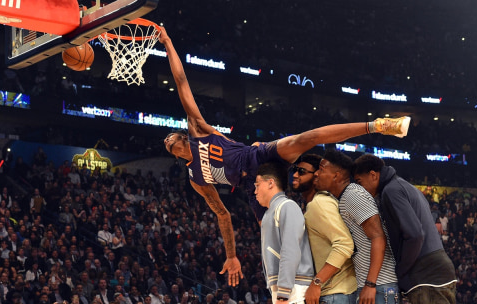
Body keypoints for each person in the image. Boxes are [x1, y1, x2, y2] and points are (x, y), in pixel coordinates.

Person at [158, 27, 410, 287]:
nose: (167, 141)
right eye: (166, 145)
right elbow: (223, 215)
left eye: (170, 136)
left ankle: (378, 125)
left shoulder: (199, 130)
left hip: (256, 155)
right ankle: (310, 287)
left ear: (181, 136)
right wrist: (231, 256)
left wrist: (167, 43)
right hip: (253, 185)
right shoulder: (196, 179)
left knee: (306, 138)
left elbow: (181, 82)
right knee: (274, 237)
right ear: (174, 154)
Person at [352, 154, 458, 304]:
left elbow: (415, 234)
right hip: (437, 273)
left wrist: (401, 271)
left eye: (359, 182)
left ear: (373, 175)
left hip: (427, 277)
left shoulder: (391, 191)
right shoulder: (403, 186)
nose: (359, 189)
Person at [313, 150, 397, 304]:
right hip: (377, 285)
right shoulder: (346, 197)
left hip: (378, 285)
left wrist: (370, 284)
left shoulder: (352, 194)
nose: (317, 173)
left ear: (337, 175)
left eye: (322, 169)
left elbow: (378, 237)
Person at [292, 154, 358, 304]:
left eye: (302, 171)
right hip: (341, 294)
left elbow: (345, 244)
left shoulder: (319, 204)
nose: (295, 175)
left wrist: (317, 282)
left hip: (336, 294)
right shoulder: (319, 204)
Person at [254, 162, 315, 304]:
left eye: (257, 184)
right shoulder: (270, 211)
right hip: (284, 292)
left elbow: (291, 250)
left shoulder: (287, 206)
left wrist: (282, 296)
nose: (255, 190)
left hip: (295, 293)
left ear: (270, 183)